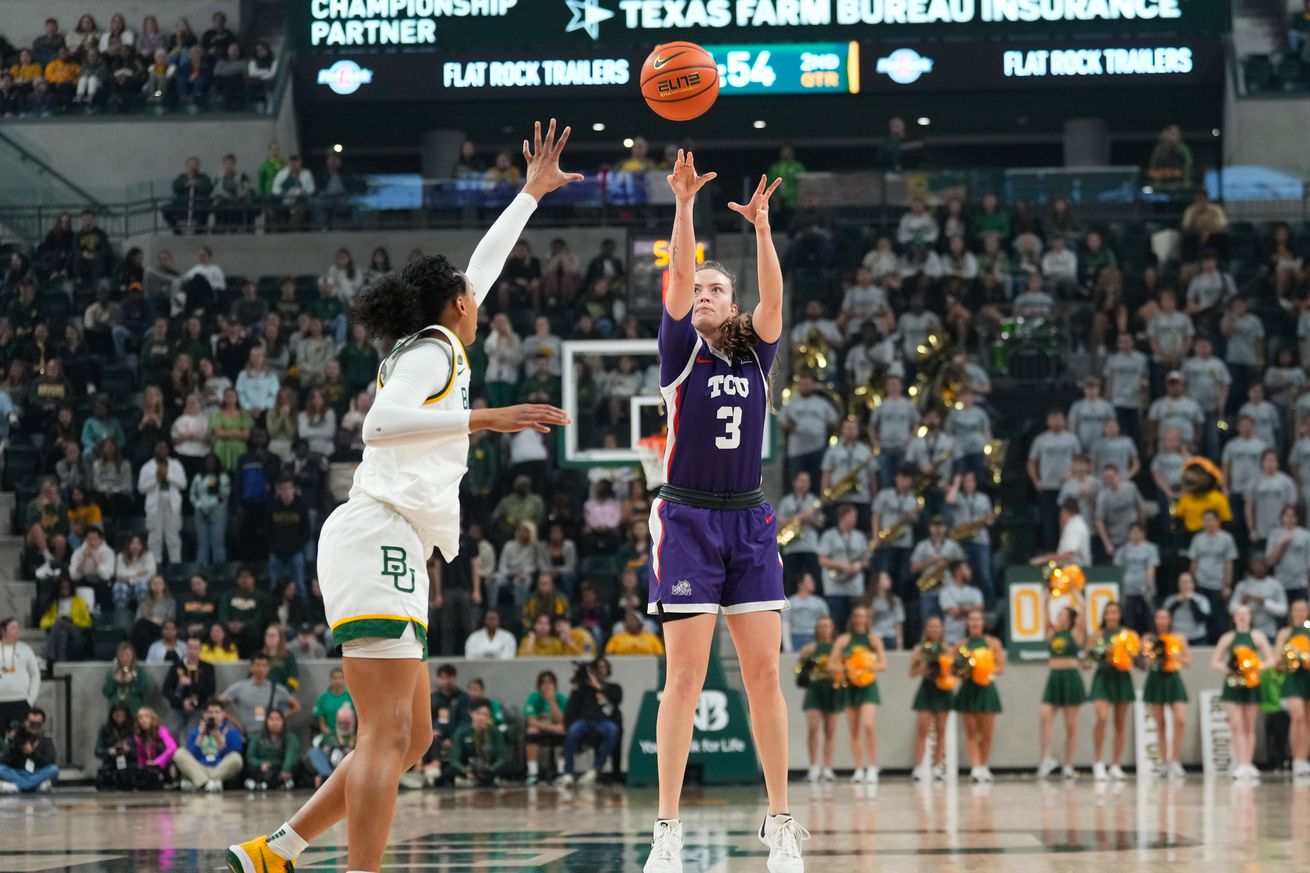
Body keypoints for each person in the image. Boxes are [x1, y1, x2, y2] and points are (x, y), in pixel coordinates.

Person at [226, 119, 578, 873]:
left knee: (411, 736)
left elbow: (481, 268)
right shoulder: (434, 350)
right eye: (469, 298)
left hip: (390, 542)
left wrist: (528, 196)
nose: (478, 302)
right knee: (383, 734)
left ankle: (277, 849)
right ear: (454, 307)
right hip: (378, 533)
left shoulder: (436, 339)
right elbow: (377, 424)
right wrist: (491, 417)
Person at [642, 154, 805, 873]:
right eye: (697, 286)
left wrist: (763, 228)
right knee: (684, 679)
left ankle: (780, 821)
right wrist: (683, 209)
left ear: (733, 307)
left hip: (750, 521)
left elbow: (774, 301)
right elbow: (678, 277)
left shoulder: (756, 357)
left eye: (716, 288)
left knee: (764, 677)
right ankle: (667, 830)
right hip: (686, 521)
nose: (702, 292)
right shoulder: (679, 352)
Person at [1211, 605, 1275, 782]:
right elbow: (1215, 661)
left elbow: (1271, 659)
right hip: (1233, 685)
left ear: (1250, 617)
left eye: (1245, 614)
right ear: (1234, 618)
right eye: (1239, 614)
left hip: (1252, 684)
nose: (1242, 617)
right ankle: (1241, 763)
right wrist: (1230, 670)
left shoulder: (1257, 636)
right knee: (1236, 725)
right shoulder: (1228, 638)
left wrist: (1255, 667)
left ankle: (1248, 762)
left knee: (1249, 725)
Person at [828, 606, 885, 785]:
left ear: (868, 619)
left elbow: (883, 665)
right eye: (857, 616)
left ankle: (873, 767)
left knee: (868, 725)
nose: (860, 619)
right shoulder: (844, 640)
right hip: (850, 686)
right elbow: (831, 665)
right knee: (853, 730)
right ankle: (859, 768)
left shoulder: (873, 640)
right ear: (852, 619)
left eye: (864, 616)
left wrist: (864, 666)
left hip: (868, 686)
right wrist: (848, 667)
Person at [1035, 605, 1087, 780]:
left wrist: (1075, 591)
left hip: (1070, 678)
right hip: (1054, 678)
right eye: (1058, 614)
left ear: (1070, 619)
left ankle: (1069, 764)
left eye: (1063, 614)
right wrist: (1046, 598)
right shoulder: (1052, 633)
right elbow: (1044, 615)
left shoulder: (1075, 634)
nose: (1059, 617)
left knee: (1071, 725)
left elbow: (1084, 612)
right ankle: (1046, 759)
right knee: (1045, 717)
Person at [955, 608, 1005, 783]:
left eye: (978, 620)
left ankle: (984, 765)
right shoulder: (961, 645)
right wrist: (966, 671)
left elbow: (1001, 666)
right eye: (972, 620)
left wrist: (986, 671)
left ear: (983, 623)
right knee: (971, 731)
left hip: (986, 689)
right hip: (968, 689)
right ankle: (975, 768)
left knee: (987, 733)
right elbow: (957, 670)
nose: (975, 623)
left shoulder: (993, 643)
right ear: (968, 624)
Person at [1141, 608, 1190, 779]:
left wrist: (1173, 655)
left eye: (1165, 617)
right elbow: (1146, 660)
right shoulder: (1149, 638)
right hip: (1156, 679)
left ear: (1170, 620)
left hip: (1173, 679)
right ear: (1155, 620)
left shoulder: (1178, 638)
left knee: (1181, 720)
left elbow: (1188, 661)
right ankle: (1164, 763)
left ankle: (1174, 759)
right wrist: (1156, 653)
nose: (1162, 620)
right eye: (1159, 617)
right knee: (1160, 724)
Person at [560, 658, 622, 787]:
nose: (600, 670)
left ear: (608, 670)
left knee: (612, 730)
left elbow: (615, 705)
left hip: (604, 721)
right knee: (573, 730)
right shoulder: (583, 689)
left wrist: (598, 686)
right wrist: (576, 685)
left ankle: (595, 769)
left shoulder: (614, 688)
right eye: (597, 667)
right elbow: (572, 707)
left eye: (603, 667)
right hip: (585, 721)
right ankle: (568, 772)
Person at [909, 616, 954, 782]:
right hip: (927, 689)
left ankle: (937, 766)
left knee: (941, 730)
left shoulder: (947, 649)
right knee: (923, 730)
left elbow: (954, 672)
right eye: (931, 626)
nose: (934, 630)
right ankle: (919, 766)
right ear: (926, 629)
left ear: (942, 629)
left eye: (937, 626)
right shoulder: (919, 649)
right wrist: (925, 667)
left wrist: (943, 668)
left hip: (943, 690)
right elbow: (911, 673)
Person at [796, 615, 839, 783]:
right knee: (813, 729)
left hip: (833, 690)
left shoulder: (837, 647)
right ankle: (814, 766)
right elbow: (800, 673)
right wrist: (809, 671)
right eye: (821, 626)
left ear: (832, 628)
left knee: (830, 731)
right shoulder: (809, 648)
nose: (824, 629)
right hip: (814, 690)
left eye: (827, 626)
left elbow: (842, 669)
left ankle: (827, 768)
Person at [218, 653, 300, 738]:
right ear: (251, 667)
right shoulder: (240, 687)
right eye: (257, 665)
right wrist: (235, 723)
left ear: (268, 669)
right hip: (246, 734)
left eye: (264, 666)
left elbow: (296, 706)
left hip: (269, 736)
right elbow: (217, 703)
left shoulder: (276, 688)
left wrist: (279, 719)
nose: (260, 669)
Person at [1274, 601, 1310, 779]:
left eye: (1303, 610)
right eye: (1296, 610)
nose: (1299, 613)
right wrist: (1291, 659)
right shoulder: (1285, 633)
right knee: (1297, 717)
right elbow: (1277, 662)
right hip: (1293, 679)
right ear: (1291, 613)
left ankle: (1304, 759)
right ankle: (1297, 760)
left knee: (1308, 720)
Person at [174, 701, 244, 792]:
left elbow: (233, 755)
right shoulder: (195, 733)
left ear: (223, 714)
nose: (213, 716)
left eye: (216, 712)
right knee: (179, 753)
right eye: (210, 712)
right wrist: (200, 737)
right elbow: (191, 757)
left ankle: (201, 783)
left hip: (220, 770)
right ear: (204, 714)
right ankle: (206, 783)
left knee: (236, 758)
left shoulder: (231, 733)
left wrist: (220, 743)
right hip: (199, 768)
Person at [447, 700, 508, 786]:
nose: (481, 717)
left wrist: (491, 768)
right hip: (468, 767)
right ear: (471, 713)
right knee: (449, 770)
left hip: (489, 767)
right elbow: (455, 759)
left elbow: (502, 757)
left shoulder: (495, 732)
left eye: (484, 714)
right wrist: (465, 770)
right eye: (478, 713)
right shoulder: (462, 732)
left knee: (507, 767)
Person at [0, 708, 58, 794]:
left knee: (54, 769)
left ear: (42, 724)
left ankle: (17, 786)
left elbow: (49, 761)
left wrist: (32, 753)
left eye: (37, 724)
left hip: (37, 773)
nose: (34, 726)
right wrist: (13, 744)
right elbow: (4, 761)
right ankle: (34, 786)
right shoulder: (19, 736)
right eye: (32, 724)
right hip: (17, 773)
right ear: (26, 722)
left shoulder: (46, 741)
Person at [1230, 557, 1288, 639]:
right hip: (1245, 631)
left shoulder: (1276, 585)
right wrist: (1243, 603)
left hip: (1269, 632)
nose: (1258, 568)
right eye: (1255, 564)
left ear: (1266, 567)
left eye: (1261, 565)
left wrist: (1264, 603)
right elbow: (1231, 609)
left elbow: (1283, 610)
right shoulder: (1242, 585)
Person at [0, 617, 41, 733]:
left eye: (18, 627)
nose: (17, 630)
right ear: (3, 630)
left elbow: (35, 674)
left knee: (20, 739)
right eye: (13, 628)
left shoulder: (25, 649)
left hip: (20, 702)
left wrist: (31, 699)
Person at [244, 709, 300, 792]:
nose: (274, 723)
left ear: (283, 722)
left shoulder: (289, 738)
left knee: (295, 767)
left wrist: (285, 769)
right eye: (271, 719)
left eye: (277, 719)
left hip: (279, 767)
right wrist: (260, 764)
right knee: (250, 768)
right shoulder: (257, 738)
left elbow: (290, 756)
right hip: (261, 768)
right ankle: (275, 784)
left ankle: (261, 785)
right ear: (266, 721)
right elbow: (250, 756)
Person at [308, 704, 356, 789]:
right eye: (341, 723)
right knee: (314, 752)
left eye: (346, 724)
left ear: (353, 721)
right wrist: (328, 749)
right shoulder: (329, 736)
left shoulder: (358, 736)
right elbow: (318, 746)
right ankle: (328, 778)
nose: (343, 726)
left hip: (351, 769)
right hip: (331, 768)